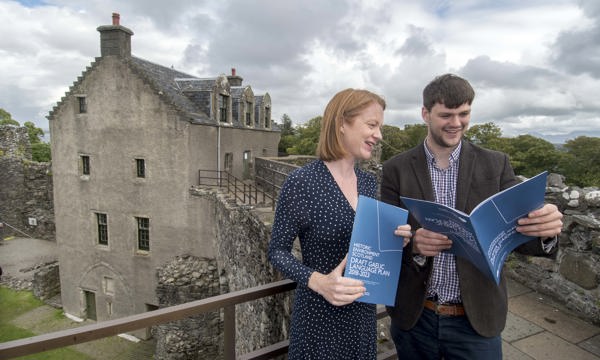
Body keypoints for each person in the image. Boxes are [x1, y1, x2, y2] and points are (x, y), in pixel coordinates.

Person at [380, 73, 564, 359]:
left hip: (476, 321)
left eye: (464, 113)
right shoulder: (396, 168)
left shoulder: (496, 164)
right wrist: (415, 245)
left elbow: (518, 235)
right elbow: (385, 242)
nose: (456, 123)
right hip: (415, 318)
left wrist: (546, 229)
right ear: (425, 114)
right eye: (446, 115)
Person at [268, 88, 412, 359]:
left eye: (379, 127)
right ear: (342, 124)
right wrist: (319, 281)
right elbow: (277, 251)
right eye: (372, 125)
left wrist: (394, 240)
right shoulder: (302, 182)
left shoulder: (369, 183)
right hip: (319, 320)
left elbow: (365, 247)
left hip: (362, 318)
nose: (379, 135)